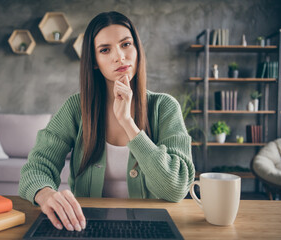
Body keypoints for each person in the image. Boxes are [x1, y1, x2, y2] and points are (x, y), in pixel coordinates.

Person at [19, 11, 195, 232]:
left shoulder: (165, 107)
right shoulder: (76, 108)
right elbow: (36, 166)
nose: (119, 56)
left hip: (152, 226)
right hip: (86, 226)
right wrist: (45, 194)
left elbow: (176, 187)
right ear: (94, 62)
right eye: (105, 50)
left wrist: (128, 123)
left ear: (137, 49)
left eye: (126, 44)